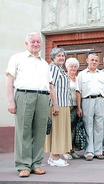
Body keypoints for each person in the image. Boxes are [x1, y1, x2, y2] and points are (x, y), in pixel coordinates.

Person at [6, 32, 59, 177]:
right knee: (24, 131)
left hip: (42, 97)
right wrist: (11, 101)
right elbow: (9, 81)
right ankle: (23, 165)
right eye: (32, 42)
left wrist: (55, 103)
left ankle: (36, 164)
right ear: (26, 44)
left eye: (38, 42)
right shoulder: (17, 58)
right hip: (24, 95)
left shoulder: (44, 63)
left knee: (40, 132)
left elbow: (51, 85)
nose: (36, 44)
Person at [76, 53, 104, 161]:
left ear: (98, 62)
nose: (94, 62)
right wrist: (79, 107)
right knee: (88, 126)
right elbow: (78, 92)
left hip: (100, 100)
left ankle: (98, 151)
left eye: (96, 60)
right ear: (87, 61)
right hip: (87, 100)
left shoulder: (102, 74)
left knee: (99, 126)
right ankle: (89, 152)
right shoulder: (81, 74)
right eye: (92, 60)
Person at [44, 48, 72, 167]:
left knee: (61, 130)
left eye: (62, 55)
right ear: (53, 57)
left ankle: (55, 156)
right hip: (57, 104)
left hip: (64, 104)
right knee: (56, 131)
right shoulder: (53, 68)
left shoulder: (60, 69)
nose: (61, 57)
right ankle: (54, 157)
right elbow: (51, 87)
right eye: (58, 56)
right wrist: (55, 104)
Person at [65, 57, 81, 159]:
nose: (73, 68)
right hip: (67, 106)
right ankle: (65, 150)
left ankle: (72, 150)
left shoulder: (78, 78)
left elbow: (79, 93)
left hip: (76, 106)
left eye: (75, 67)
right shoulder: (64, 78)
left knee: (74, 129)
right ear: (67, 67)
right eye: (71, 66)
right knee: (66, 129)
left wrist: (79, 107)